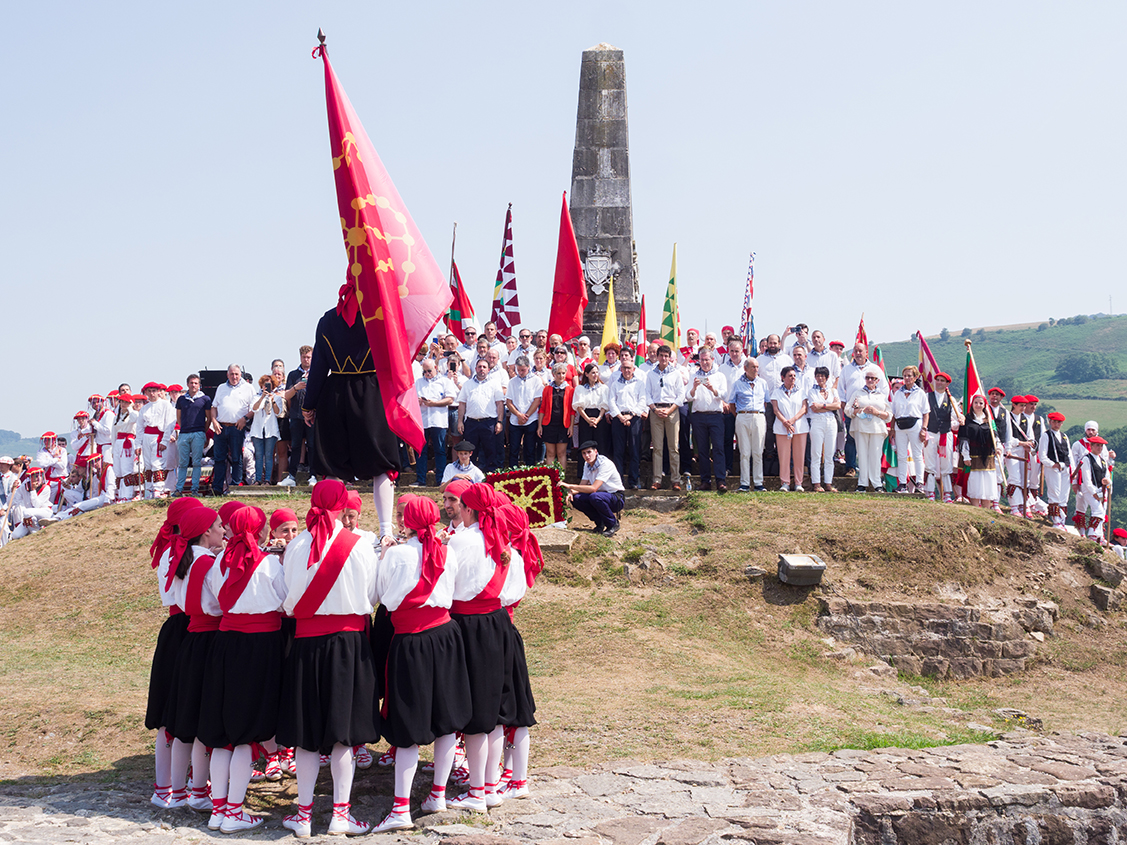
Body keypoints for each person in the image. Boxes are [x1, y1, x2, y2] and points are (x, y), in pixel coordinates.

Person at [277, 480, 381, 837]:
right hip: (349, 646)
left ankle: (303, 815)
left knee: (306, 735)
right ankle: (340, 814)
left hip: (306, 646)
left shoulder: (296, 546)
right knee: (343, 735)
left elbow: (286, 597)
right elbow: (372, 593)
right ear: (342, 505)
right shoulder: (360, 546)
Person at [371, 496, 473, 831]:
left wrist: (387, 555)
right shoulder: (447, 550)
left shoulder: (398, 553)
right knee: (446, 717)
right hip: (445, 635)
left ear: (407, 521)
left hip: (411, 638)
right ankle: (438, 794)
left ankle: (401, 808)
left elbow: (384, 598)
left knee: (408, 723)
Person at [199, 506, 286, 833]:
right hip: (260, 647)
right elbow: (286, 603)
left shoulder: (218, 562)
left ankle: (218, 809)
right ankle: (234, 811)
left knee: (223, 733)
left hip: (225, 643)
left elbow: (210, 604)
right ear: (263, 532)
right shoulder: (270, 565)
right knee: (246, 733)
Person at [447, 483, 520, 811]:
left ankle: (477, 792)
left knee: (476, 710)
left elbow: (447, 585)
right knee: (493, 711)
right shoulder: (501, 542)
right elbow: (511, 591)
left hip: (467, 625)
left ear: (468, 509)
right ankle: (490, 786)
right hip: (498, 623)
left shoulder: (460, 540)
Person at [303, 300, 403, 539]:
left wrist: (309, 403)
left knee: (333, 465)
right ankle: (385, 531)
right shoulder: (379, 314)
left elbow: (318, 366)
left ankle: (329, 531)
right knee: (383, 465)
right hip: (372, 393)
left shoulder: (327, 319)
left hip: (334, 394)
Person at [161, 506, 224, 824]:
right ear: (205, 532)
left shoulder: (183, 558)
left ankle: (175, 789)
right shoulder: (208, 563)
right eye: (218, 526)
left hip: (190, 638)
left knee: (184, 722)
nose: (223, 531)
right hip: (209, 640)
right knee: (203, 723)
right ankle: (198, 790)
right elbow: (221, 602)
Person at [563, 441, 625, 536]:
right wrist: (571, 493)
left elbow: (593, 488)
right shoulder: (587, 465)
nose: (587, 456)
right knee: (576, 498)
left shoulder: (605, 464)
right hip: (599, 496)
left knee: (594, 496)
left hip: (616, 497)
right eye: (584, 453)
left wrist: (570, 486)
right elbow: (582, 485)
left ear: (596, 452)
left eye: (589, 452)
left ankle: (612, 524)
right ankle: (600, 522)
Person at [210, 366, 255, 496]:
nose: (234, 377)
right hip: (221, 427)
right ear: (227, 374)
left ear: (240, 374)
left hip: (237, 426)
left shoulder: (248, 388)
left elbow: (254, 408)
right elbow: (214, 407)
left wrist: (245, 419)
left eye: (236, 374)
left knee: (236, 458)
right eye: (231, 374)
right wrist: (214, 421)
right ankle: (217, 488)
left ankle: (235, 487)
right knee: (219, 459)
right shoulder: (221, 388)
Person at [845, 372, 892, 493]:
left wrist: (876, 412)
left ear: (877, 380)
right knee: (862, 455)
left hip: (877, 428)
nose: (870, 380)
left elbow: (889, 415)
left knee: (875, 456)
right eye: (868, 378)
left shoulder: (881, 395)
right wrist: (859, 410)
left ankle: (877, 484)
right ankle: (862, 483)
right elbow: (848, 409)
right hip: (861, 427)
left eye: (873, 378)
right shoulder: (857, 393)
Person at [647, 344, 685, 490]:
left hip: (672, 411)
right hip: (655, 410)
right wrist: (655, 409)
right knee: (657, 447)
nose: (663, 359)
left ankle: (675, 479)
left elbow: (681, 395)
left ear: (669, 358)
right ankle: (657, 479)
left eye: (666, 356)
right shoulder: (651, 374)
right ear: (657, 357)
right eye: (661, 355)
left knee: (673, 447)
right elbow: (647, 394)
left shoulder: (675, 374)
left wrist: (669, 410)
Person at [726, 357, 768, 492]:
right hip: (742, 416)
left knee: (758, 451)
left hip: (759, 416)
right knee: (744, 451)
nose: (756, 370)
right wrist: (739, 416)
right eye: (753, 367)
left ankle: (758, 483)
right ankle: (744, 483)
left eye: (757, 367)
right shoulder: (737, 384)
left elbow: (766, 402)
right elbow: (732, 403)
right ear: (745, 368)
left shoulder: (762, 383)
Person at [458, 359, 506, 475]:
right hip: (471, 423)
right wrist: (460, 421)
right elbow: (462, 403)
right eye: (479, 367)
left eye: (484, 367)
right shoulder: (468, 384)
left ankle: (491, 478)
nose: (482, 369)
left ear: (488, 370)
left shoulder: (494, 384)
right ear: (475, 369)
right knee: (471, 452)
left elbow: (499, 403)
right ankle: (470, 477)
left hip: (489, 423)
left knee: (491, 451)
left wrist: (499, 421)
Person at [608, 358, 649, 490]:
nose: (626, 370)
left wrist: (631, 416)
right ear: (621, 369)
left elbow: (642, 401)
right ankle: (618, 481)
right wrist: (620, 417)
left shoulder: (640, 384)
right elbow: (611, 401)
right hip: (618, 419)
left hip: (634, 418)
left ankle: (633, 480)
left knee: (634, 450)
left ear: (633, 369)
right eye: (624, 368)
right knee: (618, 451)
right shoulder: (615, 384)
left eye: (629, 368)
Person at [415, 358, 456, 486]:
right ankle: (421, 479)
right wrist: (419, 401)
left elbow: (450, 399)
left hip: (438, 420)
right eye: (425, 371)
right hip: (422, 421)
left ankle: (441, 480)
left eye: (429, 371)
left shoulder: (444, 381)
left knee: (440, 451)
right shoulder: (418, 382)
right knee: (421, 451)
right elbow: (412, 399)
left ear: (436, 368)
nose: (427, 373)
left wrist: (434, 403)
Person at [959, 394, 1004, 509]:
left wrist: (998, 447)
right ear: (972, 404)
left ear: (984, 405)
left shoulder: (989, 420)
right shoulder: (967, 420)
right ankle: (975, 509)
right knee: (976, 483)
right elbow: (964, 439)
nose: (978, 405)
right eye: (976, 403)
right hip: (973, 456)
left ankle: (986, 510)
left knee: (987, 485)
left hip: (988, 456)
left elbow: (995, 436)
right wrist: (966, 456)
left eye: (981, 403)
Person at [890, 366, 928, 494]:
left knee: (917, 455)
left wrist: (924, 429)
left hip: (915, 424)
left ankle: (920, 483)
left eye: (909, 376)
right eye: (905, 376)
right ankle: (902, 484)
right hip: (900, 425)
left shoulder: (920, 393)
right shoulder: (898, 393)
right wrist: (892, 429)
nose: (907, 378)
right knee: (901, 455)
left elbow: (926, 412)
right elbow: (894, 413)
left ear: (915, 377)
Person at [771, 366, 809, 492]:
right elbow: (775, 410)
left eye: (794, 376)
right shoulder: (776, 392)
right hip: (782, 428)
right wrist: (785, 422)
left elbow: (804, 409)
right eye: (790, 376)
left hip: (799, 427)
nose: (793, 378)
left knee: (799, 456)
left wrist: (792, 421)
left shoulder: (801, 391)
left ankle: (798, 483)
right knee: (784, 456)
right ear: (783, 378)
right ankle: (785, 482)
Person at [174, 375, 212, 497]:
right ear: (187, 384)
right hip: (184, 433)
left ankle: (195, 488)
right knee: (183, 462)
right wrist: (184, 427)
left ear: (199, 385)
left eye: (196, 383)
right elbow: (178, 417)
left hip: (198, 433)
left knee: (196, 462)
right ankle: (179, 488)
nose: (193, 385)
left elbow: (209, 418)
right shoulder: (181, 399)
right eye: (191, 383)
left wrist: (202, 431)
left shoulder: (205, 399)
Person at [281, 345, 314, 487]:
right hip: (295, 415)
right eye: (303, 357)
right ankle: (292, 476)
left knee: (312, 446)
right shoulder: (293, 375)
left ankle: (313, 475)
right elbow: (286, 395)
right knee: (295, 446)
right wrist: (296, 387)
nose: (306, 360)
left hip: (312, 416)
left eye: (308, 357)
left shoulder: (317, 373)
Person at [807, 366, 840, 493]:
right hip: (817, 421)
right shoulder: (812, 392)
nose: (820, 378)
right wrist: (828, 406)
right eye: (818, 376)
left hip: (831, 421)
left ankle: (828, 483)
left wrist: (823, 405)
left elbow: (837, 406)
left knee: (829, 454)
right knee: (816, 452)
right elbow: (814, 408)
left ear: (827, 378)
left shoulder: (833, 391)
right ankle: (816, 483)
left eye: (822, 376)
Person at [1039, 412, 1074, 528]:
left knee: (1064, 495)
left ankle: (1062, 520)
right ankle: (1056, 520)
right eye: (1054, 422)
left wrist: (1072, 469)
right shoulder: (1046, 435)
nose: (1057, 424)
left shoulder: (1064, 436)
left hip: (1065, 468)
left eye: (1059, 422)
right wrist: (1051, 464)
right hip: (1053, 468)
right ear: (1050, 422)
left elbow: (1069, 454)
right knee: (1054, 493)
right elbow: (1042, 455)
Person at [506, 356, 542, 468]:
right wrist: (518, 415)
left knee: (530, 449)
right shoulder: (512, 382)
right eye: (518, 370)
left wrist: (526, 416)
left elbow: (537, 400)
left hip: (531, 420)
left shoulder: (536, 380)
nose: (520, 372)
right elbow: (509, 401)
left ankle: (530, 476)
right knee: (514, 449)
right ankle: (512, 474)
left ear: (529, 367)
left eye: (523, 370)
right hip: (515, 420)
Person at [250, 374, 285, 486]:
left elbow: (278, 412)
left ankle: (267, 480)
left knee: (269, 455)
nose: (266, 386)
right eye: (265, 384)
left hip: (271, 430)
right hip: (257, 430)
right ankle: (257, 479)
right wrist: (262, 398)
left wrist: (272, 399)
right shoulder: (256, 397)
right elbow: (254, 409)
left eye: (269, 384)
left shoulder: (277, 397)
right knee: (259, 455)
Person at [538, 364, 575, 467]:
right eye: (558, 373)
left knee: (561, 453)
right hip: (549, 424)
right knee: (550, 453)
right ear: (553, 374)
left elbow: (572, 410)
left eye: (563, 373)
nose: (561, 376)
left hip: (563, 425)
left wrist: (571, 426)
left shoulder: (570, 389)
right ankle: (551, 479)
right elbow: (542, 409)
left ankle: (561, 479)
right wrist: (540, 426)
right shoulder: (547, 389)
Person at [1076, 437, 1112, 543]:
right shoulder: (1087, 458)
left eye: (1101, 446)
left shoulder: (1103, 461)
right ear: (1091, 446)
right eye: (1097, 445)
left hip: (1101, 490)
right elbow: (1086, 479)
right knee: (1098, 510)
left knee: (1102, 511)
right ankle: (1092, 534)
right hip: (1089, 489)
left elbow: (1107, 476)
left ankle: (1099, 535)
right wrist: (1094, 492)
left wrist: (1107, 481)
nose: (1099, 448)